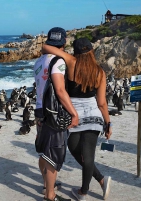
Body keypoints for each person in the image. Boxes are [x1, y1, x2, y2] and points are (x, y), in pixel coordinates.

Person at [42, 37, 113, 201]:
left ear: (75, 51)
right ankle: (101, 180)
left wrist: (60, 50)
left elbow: (46, 47)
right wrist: (108, 122)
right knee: (82, 153)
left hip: (74, 115)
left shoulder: (71, 61)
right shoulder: (99, 71)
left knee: (79, 153)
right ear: (91, 51)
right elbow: (102, 103)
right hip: (93, 116)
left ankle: (84, 191)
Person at [34, 27, 79, 201]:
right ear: (65, 41)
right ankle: (50, 195)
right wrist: (73, 113)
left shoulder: (38, 62)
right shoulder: (59, 62)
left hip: (39, 109)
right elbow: (60, 90)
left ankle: (47, 184)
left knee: (44, 150)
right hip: (53, 112)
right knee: (54, 152)